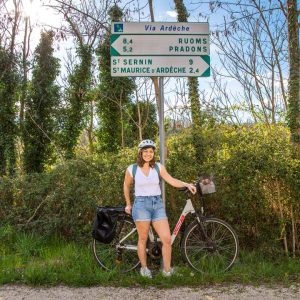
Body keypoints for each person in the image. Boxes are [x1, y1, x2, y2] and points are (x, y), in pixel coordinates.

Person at [123, 139, 197, 278]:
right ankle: (144, 269)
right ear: (140, 153)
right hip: (141, 205)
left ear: (153, 153)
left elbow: (171, 180)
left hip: (157, 204)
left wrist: (187, 184)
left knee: (167, 239)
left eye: (151, 151)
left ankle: (167, 271)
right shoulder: (132, 168)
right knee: (143, 238)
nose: (148, 154)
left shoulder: (158, 167)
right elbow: (126, 186)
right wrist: (128, 203)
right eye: (145, 151)